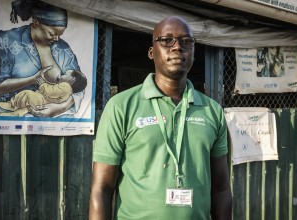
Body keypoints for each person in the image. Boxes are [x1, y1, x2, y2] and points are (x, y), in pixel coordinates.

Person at [90, 16, 232, 220]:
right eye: (167, 40)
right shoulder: (122, 106)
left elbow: (221, 189)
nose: (177, 47)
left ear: (193, 52)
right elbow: (102, 188)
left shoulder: (212, 111)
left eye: (186, 41)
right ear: (151, 52)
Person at [0, 0, 85, 117]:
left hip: (55, 116)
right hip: (11, 107)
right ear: (36, 23)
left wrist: (58, 108)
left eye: (59, 35)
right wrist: (32, 79)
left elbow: (79, 86)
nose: (56, 39)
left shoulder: (63, 48)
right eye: (52, 33)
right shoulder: (6, 40)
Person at [0, 68, 87, 117]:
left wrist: (42, 83)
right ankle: (18, 110)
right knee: (27, 98)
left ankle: (13, 105)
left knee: (27, 93)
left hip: (42, 101)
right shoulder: (65, 88)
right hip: (42, 100)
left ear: (71, 79)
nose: (62, 75)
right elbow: (52, 88)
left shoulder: (66, 87)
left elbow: (51, 91)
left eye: (65, 74)